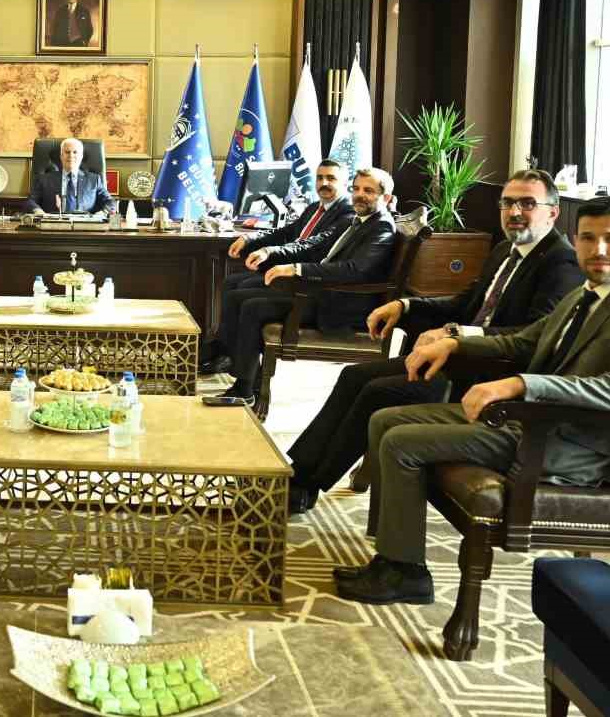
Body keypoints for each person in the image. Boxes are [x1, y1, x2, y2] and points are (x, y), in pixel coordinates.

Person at [336, 196, 610, 605]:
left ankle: (406, 575)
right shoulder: (585, 294)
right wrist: (454, 344)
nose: (598, 249)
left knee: (400, 443)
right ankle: (392, 555)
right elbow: (522, 342)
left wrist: (518, 384)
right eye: (588, 238)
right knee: (385, 419)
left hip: (566, 443)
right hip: (530, 422)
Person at [284, 168, 583, 514]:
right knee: (353, 375)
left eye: (527, 203)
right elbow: (464, 303)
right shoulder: (506, 250)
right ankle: (298, 473)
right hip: (456, 359)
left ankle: (307, 487)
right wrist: (406, 305)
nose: (514, 212)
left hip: (488, 376)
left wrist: (456, 334)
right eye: (508, 203)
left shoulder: (561, 262)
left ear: (552, 212)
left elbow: (533, 334)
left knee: (378, 392)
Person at [214, 167, 398, 406]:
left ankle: (244, 388)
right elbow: (313, 244)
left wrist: (297, 269)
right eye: (357, 189)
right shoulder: (355, 220)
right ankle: (247, 377)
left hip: (340, 304)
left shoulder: (381, 226)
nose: (359, 195)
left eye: (369, 191)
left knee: (252, 307)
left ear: (385, 198)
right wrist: (272, 252)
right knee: (239, 297)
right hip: (321, 292)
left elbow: (354, 270)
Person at [201, 160, 353, 374]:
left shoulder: (347, 214)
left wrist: (269, 252)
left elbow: (310, 247)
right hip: (290, 271)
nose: (323, 183)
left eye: (331, 178)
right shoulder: (315, 207)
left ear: (345, 183)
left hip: (307, 281)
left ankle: (233, 358)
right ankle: (226, 350)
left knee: (241, 290)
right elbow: (286, 232)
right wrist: (250, 239)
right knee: (231, 282)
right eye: (320, 178)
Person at [22, 136, 113, 214]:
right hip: (54, 225)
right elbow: (30, 201)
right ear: (61, 156)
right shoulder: (44, 179)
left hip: (84, 226)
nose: (71, 156)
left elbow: (110, 202)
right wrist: (39, 212)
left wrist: (102, 214)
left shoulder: (94, 180)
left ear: (81, 157)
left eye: (75, 152)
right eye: (67, 152)